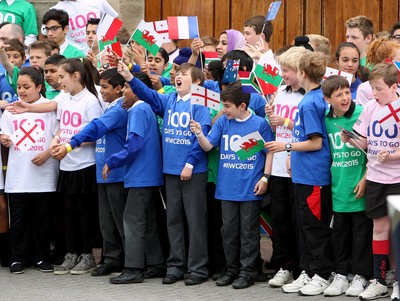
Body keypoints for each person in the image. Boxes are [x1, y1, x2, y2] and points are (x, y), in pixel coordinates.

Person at [8, 58, 103, 275]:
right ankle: (71, 253)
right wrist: (30, 109)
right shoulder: (65, 97)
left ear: (75, 76)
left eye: (62, 77)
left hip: (84, 164)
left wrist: (69, 145)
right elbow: (55, 112)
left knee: (83, 211)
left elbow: (96, 133)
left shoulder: (89, 101)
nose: (58, 81)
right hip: (67, 164)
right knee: (68, 211)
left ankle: (86, 255)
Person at [120, 61, 211, 286]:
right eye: (177, 73)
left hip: (192, 172)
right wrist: (129, 78)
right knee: (173, 220)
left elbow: (203, 138)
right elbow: (148, 95)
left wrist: (190, 164)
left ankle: (198, 268)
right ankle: (176, 266)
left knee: (195, 221)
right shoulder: (169, 100)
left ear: (197, 82)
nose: (178, 76)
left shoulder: (200, 105)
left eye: (184, 74)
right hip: (170, 171)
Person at [190, 81, 274, 289]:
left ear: (242, 107)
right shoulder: (223, 122)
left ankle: (248, 271)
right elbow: (209, 145)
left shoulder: (259, 124)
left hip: (249, 188)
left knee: (248, 232)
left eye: (227, 106)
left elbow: (269, 151)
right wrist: (200, 133)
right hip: (226, 188)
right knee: (228, 232)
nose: (223, 110)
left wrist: (265, 178)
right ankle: (232, 269)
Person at [265, 51, 333, 296]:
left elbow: (315, 142)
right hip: (303, 174)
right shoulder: (310, 99)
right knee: (304, 227)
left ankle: (322, 273)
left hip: (314, 176)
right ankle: (308, 270)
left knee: (314, 228)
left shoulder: (310, 101)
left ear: (302, 73)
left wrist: (286, 147)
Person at [52, 68, 127, 277]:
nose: (100, 91)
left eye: (104, 87)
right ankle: (107, 258)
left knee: (107, 216)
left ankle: (125, 261)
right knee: (104, 219)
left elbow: (95, 128)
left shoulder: (114, 108)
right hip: (93, 167)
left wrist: (69, 145)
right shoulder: (68, 98)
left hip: (94, 165)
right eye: (100, 86)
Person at [342, 63, 400, 300]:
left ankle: (397, 280)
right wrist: (351, 139)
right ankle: (378, 279)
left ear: (394, 86)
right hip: (375, 178)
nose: (374, 94)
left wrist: (393, 156)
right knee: (379, 228)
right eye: (372, 88)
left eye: (379, 89)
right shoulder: (369, 108)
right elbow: (365, 142)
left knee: (396, 230)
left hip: (397, 179)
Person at [102, 70, 165, 284]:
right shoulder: (144, 108)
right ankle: (156, 263)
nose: (123, 93)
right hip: (148, 175)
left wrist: (112, 161)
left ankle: (133, 268)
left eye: (127, 88)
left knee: (132, 221)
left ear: (138, 91)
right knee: (146, 221)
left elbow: (134, 145)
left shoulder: (138, 109)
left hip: (140, 175)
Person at [0, 67, 59, 274]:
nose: (21, 91)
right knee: (18, 219)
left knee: (42, 219)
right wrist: (4, 139)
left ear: (39, 87)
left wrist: (47, 154)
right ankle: (18, 258)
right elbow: (4, 133)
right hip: (18, 175)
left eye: (26, 87)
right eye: (18, 87)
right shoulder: (11, 109)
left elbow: (57, 135)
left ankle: (40, 257)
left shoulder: (49, 108)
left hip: (44, 174)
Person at [322, 75, 372, 297]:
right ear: (327, 99)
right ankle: (341, 274)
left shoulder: (363, 114)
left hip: (360, 183)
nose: (345, 98)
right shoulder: (326, 119)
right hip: (338, 185)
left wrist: (366, 177)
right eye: (338, 95)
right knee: (339, 233)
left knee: (361, 233)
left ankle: (361, 275)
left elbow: (374, 149)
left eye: (347, 92)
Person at [264, 46, 308, 288]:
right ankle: (284, 265)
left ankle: (302, 267)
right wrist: (271, 115)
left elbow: (307, 129)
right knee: (279, 220)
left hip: (298, 165)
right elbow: (274, 127)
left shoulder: (307, 95)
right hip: (279, 166)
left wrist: (286, 121)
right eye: (282, 70)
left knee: (297, 221)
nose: (283, 75)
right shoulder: (280, 92)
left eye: (287, 70)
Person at [49, 0, 118, 54]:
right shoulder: (55, 10)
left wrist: (108, 47)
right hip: (73, 59)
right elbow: (46, 35)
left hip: (99, 56)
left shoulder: (98, 1)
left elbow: (114, 22)